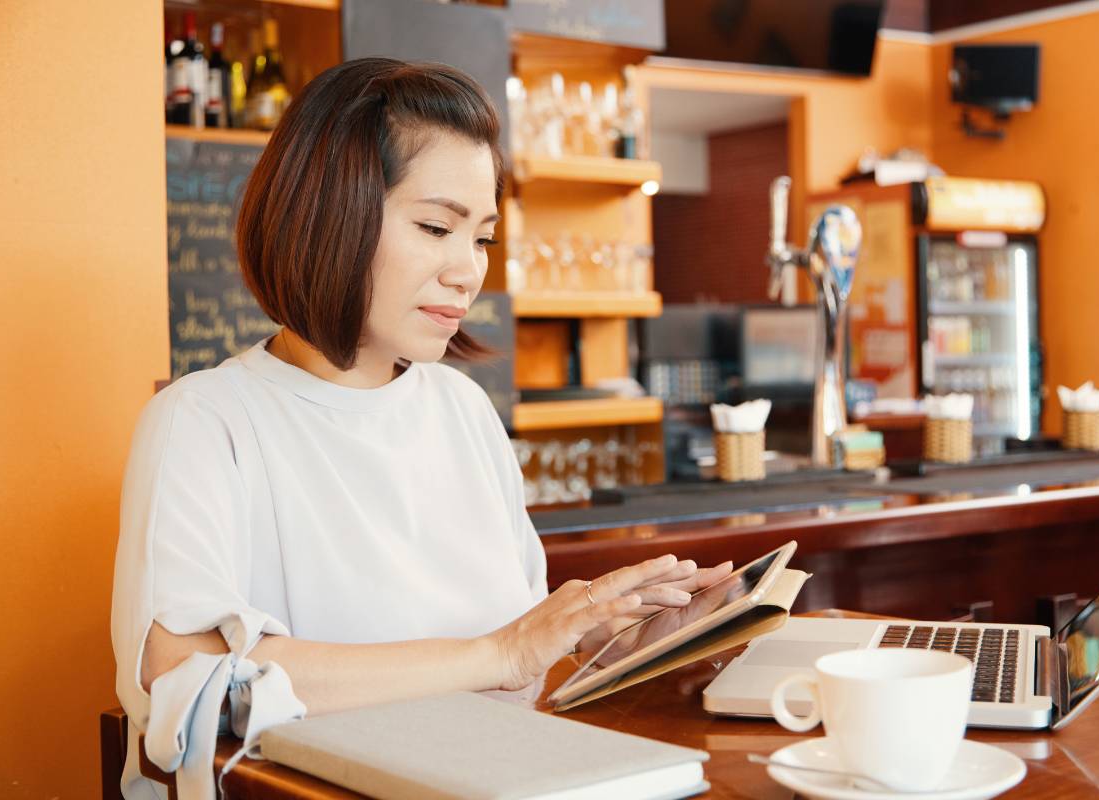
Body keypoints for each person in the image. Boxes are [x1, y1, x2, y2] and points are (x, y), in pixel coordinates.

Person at [110, 57, 729, 799]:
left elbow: (515, 657)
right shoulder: (205, 421)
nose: (469, 271)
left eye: (482, 239)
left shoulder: (462, 410)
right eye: (437, 226)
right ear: (329, 212)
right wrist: (501, 652)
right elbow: (185, 676)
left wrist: (608, 641)